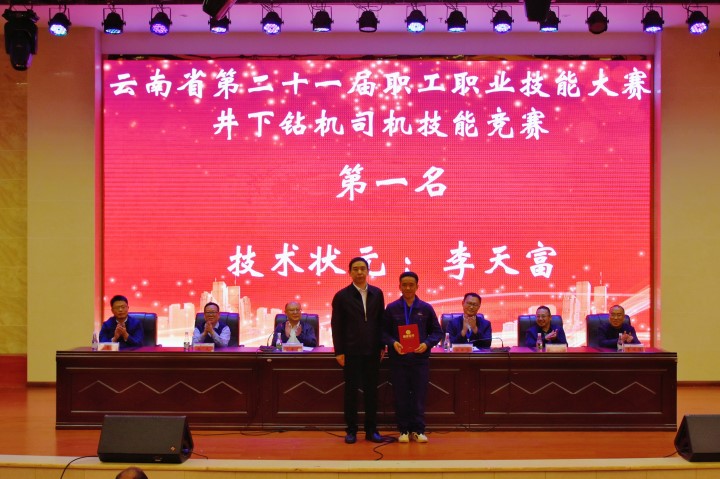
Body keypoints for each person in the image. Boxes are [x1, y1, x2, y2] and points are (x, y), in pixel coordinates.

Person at [382, 271, 443, 444]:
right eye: (404, 285)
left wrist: (427, 343)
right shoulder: (392, 308)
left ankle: (418, 430)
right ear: (399, 286)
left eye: (411, 285)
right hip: (398, 360)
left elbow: (437, 332)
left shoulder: (426, 308)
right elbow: (383, 332)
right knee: (401, 395)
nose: (408, 288)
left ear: (417, 287)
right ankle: (403, 430)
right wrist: (393, 343)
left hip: (419, 360)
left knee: (418, 395)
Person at [331, 257, 386, 444]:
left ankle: (371, 430)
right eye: (355, 269)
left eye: (363, 268)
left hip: (372, 351)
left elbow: (380, 321)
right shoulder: (342, 296)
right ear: (350, 272)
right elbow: (337, 325)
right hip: (351, 352)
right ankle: (351, 430)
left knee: (372, 392)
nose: (360, 272)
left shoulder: (377, 293)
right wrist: (339, 351)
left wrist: (382, 345)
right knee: (351, 392)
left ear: (368, 271)